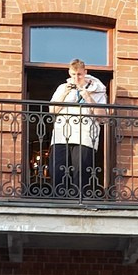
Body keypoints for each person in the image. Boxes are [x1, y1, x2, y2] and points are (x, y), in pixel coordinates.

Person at [47, 58, 109, 196]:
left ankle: (79, 201)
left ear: (85, 72)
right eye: (73, 74)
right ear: (69, 73)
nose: (76, 78)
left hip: (84, 136)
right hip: (62, 135)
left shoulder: (97, 89)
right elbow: (52, 111)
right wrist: (64, 94)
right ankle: (59, 201)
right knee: (58, 170)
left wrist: (88, 97)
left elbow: (103, 117)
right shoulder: (62, 88)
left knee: (80, 172)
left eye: (79, 74)